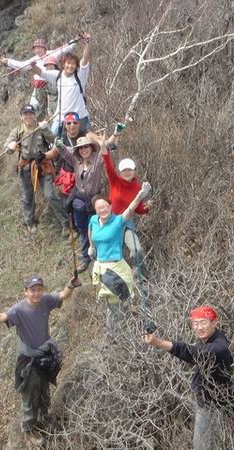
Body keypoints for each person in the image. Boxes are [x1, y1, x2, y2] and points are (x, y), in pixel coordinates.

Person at [0, 274, 82, 445]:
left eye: (39, 289)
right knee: (30, 396)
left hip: (44, 356)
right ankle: (29, 430)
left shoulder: (46, 300)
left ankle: (42, 420)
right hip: (28, 360)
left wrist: (71, 285)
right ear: (26, 292)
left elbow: (62, 295)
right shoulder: (19, 310)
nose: (36, 293)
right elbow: (2, 316)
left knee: (44, 392)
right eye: (33, 290)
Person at [144, 306, 234, 450]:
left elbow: (192, 352)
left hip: (213, 405)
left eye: (203, 323)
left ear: (214, 323)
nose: (199, 327)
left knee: (202, 446)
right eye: (196, 323)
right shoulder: (210, 338)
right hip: (209, 401)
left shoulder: (219, 347)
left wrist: (158, 342)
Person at [49, 133, 119, 273]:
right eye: (81, 148)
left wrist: (115, 134)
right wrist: (52, 137)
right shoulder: (76, 161)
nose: (84, 150)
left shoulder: (98, 160)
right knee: (82, 230)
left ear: (91, 147)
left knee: (95, 230)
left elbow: (105, 148)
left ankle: (99, 258)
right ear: (78, 150)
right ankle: (86, 258)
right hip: (79, 202)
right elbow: (63, 149)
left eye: (86, 146)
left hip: (94, 202)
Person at [88, 182, 151, 335]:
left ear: (110, 206)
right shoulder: (94, 220)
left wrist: (140, 195)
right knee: (112, 303)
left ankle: (119, 334)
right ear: (95, 211)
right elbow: (90, 231)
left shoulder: (117, 221)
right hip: (101, 267)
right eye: (99, 208)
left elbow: (130, 209)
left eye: (105, 206)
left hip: (115, 268)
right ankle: (117, 332)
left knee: (116, 303)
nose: (102, 210)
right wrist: (91, 246)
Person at [3, 104, 68, 234]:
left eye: (30, 114)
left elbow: (54, 140)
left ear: (34, 115)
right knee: (28, 196)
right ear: (21, 117)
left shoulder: (41, 127)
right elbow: (7, 148)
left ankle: (66, 222)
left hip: (43, 165)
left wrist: (46, 129)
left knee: (50, 195)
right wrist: (10, 147)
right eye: (25, 114)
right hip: (26, 167)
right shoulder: (18, 131)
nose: (28, 116)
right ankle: (29, 222)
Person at [0, 38, 78, 121]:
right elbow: (21, 65)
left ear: (44, 48)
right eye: (35, 48)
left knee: (53, 106)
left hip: (51, 85)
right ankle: (32, 121)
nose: (37, 50)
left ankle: (55, 118)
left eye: (39, 48)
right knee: (34, 105)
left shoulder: (53, 53)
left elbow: (65, 48)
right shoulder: (34, 59)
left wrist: (75, 40)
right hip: (39, 86)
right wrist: (8, 61)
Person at [32, 33, 92, 136]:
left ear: (76, 66)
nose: (70, 66)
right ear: (63, 64)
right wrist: (33, 65)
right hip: (61, 117)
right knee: (53, 140)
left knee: (88, 140)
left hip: (80, 117)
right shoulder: (57, 75)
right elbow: (40, 72)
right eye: (68, 63)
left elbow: (85, 59)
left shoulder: (80, 76)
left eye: (73, 64)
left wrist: (88, 43)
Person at [102, 144, 152, 267]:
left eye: (130, 169)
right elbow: (108, 165)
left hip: (127, 223)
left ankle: (140, 273)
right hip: (111, 221)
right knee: (111, 254)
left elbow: (138, 209)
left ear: (134, 171)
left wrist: (146, 208)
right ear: (119, 172)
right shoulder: (115, 181)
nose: (127, 172)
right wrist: (104, 149)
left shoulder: (137, 187)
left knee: (137, 250)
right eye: (124, 170)